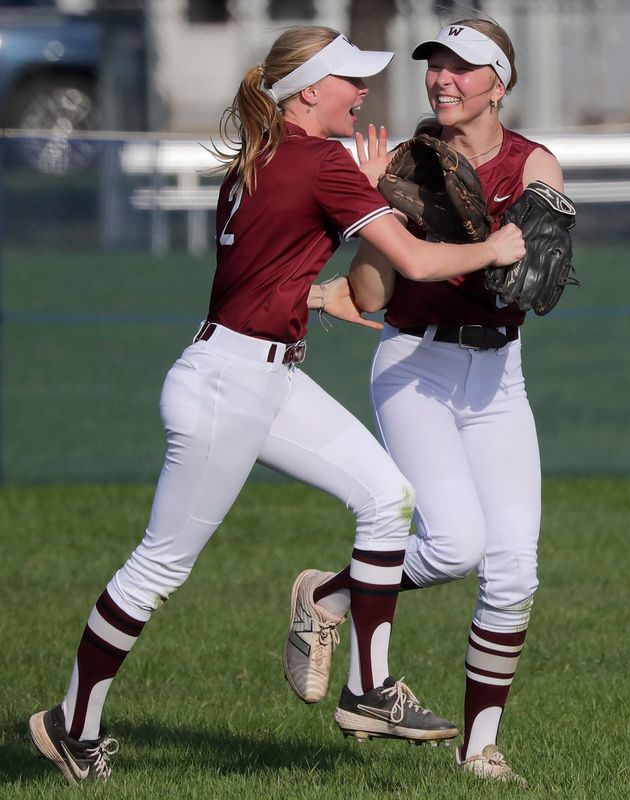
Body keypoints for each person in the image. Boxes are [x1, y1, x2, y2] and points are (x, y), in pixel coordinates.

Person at [27, 26, 525, 785]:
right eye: (351, 81)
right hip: (229, 386)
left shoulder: (261, 159)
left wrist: (355, 220)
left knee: (388, 497)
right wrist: (494, 247)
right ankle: (73, 725)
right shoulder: (320, 160)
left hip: (267, 375)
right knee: (159, 566)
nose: (363, 94)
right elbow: (417, 261)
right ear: (310, 91)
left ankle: (369, 688)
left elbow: (308, 276)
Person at [283, 18, 565, 788]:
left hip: (500, 377)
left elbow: (535, 277)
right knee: (451, 547)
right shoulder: (403, 163)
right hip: (417, 367)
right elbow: (372, 296)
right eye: (436, 64)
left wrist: (534, 241)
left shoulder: (532, 163)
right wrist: (378, 215)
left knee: (514, 572)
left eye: (463, 67)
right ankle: (331, 593)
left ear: (498, 83)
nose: (443, 78)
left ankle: (480, 751)